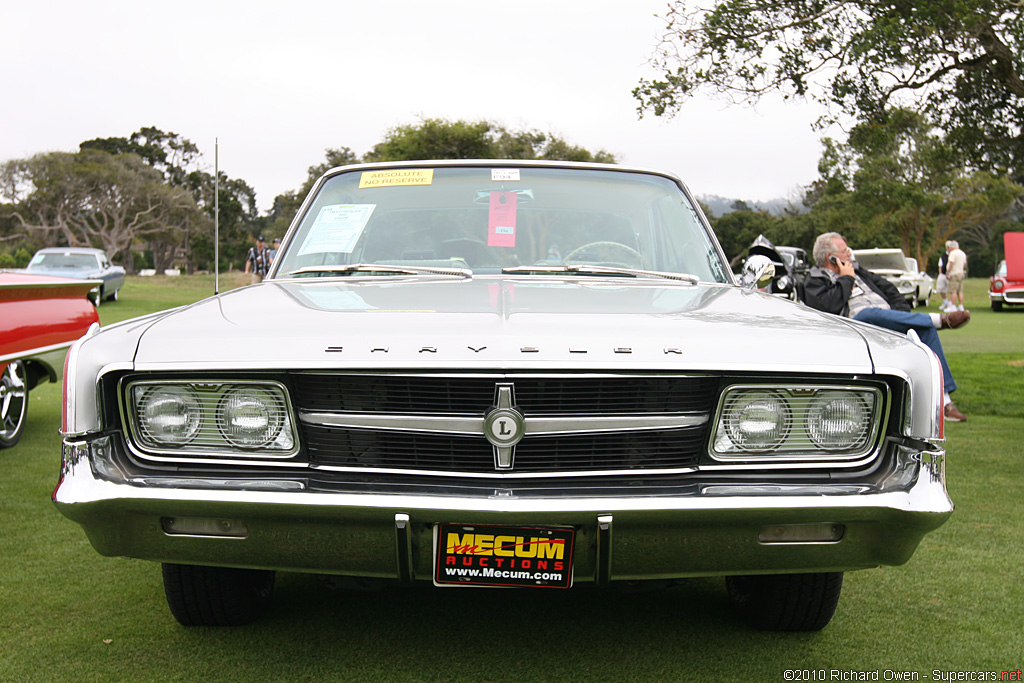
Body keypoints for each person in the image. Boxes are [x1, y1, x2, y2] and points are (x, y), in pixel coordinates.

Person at [804, 232, 970, 422]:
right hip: (856, 329)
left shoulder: (860, 272)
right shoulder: (815, 280)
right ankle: (937, 319)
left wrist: (901, 316)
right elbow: (829, 307)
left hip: (887, 323)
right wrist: (846, 278)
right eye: (844, 251)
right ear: (830, 258)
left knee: (926, 330)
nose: (849, 254)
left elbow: (891, 291)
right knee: (868, 312)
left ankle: (945, 403)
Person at [945, 240, 967, 311]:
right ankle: (961, 305)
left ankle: (953, 306)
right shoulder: (962, 253)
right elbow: (965, 264)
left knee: (953, 291)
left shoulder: (953, 253)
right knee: (960, 291)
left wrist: (948, 272)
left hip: (954, 274)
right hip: (960, 273)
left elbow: (951, 263)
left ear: (952, 247)